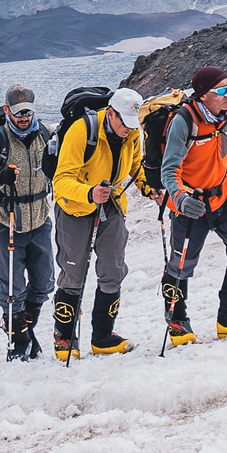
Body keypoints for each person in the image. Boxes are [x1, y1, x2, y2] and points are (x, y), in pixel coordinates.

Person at [160, 65, 227, 346]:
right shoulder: (183, 121)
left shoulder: (224, 115)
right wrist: (180, 200)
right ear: (204, 96)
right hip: (192, 207)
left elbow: (222, 152)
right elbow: (169, 170)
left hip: (223, 198)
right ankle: (177, 320)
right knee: (181, 266)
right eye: (222, 90)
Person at [51, 86, 145, 361]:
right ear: (111, 114)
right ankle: (64, 338)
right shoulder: (82, 131)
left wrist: (151, 188)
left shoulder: (133, 133)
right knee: (73, 274)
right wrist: (89, 193)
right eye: (124, 124)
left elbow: (137, 167)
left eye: (132, 124)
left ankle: (103, 337)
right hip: (76, 210)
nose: (128, 130)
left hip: (112, 206)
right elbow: (61, 181)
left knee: (113, 269)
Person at [0, 83, 56, 359]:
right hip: (4, 223)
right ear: (7, 110)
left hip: (39, 219)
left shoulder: (45, 134)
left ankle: (25, 328)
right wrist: (0, 179)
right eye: (18, 112)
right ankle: (19, 342)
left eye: (28, 112)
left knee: (44, 284)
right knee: (12, 290)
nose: (24, 118)